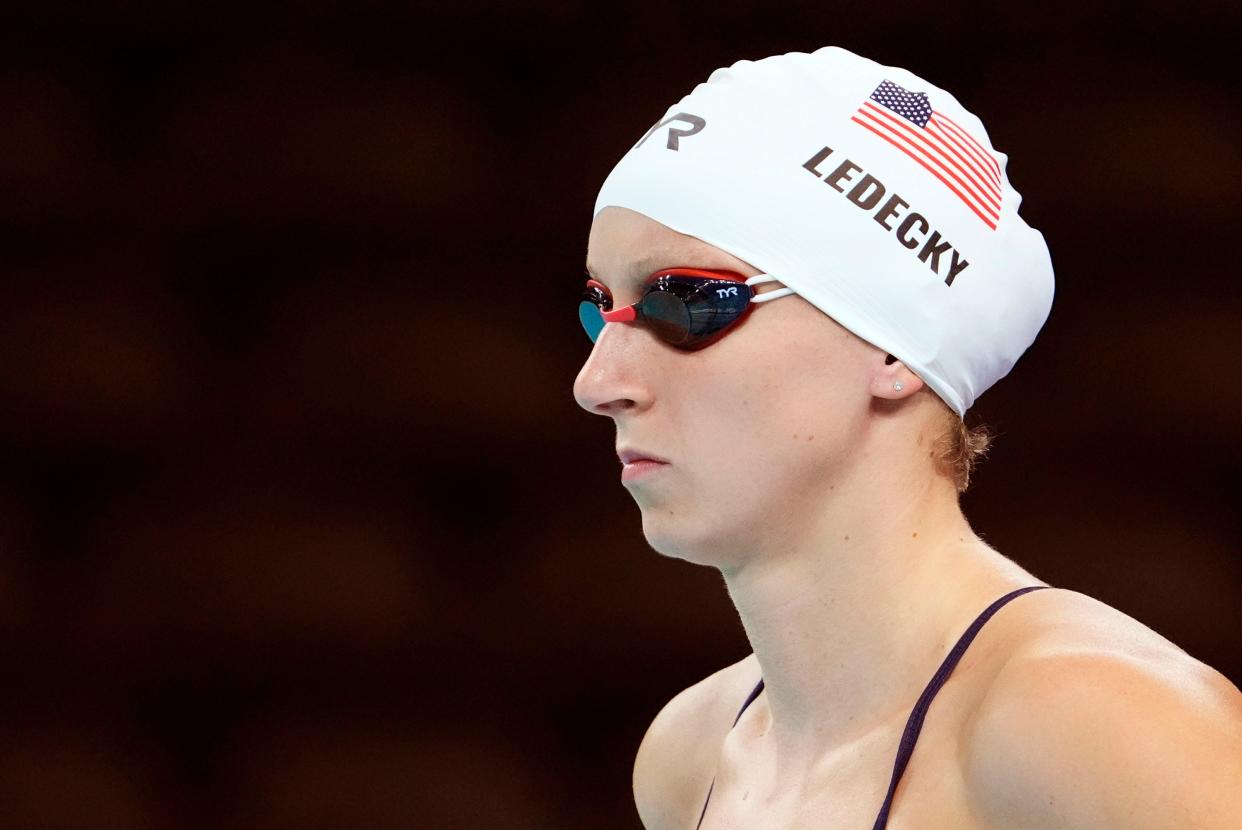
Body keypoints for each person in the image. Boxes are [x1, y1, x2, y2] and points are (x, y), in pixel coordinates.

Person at [572, 46, 1241, 829]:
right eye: (598, 306)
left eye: (684, 304)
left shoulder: (1104, 727)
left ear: (895, 347)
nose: (597, 383)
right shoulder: (689, 755)